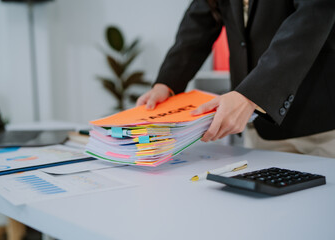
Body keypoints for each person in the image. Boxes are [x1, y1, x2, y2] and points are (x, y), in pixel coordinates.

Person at [136, 0, 335, 158]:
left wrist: (251, 94)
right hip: (261, 130)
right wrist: (167, 83)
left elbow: (312, 18)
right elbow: (198, 23)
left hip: (320, 125)